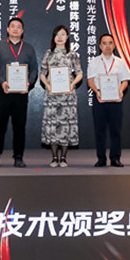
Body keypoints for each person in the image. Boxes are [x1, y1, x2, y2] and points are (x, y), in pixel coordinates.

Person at [0, 17, 39, 168]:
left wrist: (29, 82)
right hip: (3, 91)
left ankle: (18, 157)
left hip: (21, 93)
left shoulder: (28, 48)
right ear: (8, 29)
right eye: (13, 26)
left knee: (19, 127)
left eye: (18, 27)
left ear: (22, 31)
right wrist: (2, 81)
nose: (15, 29)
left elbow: (34, 68)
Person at [39, 25, 83, 167]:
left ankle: (63, 158)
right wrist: (47, 85)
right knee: (53, 126)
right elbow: (42, 74)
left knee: (65, 126)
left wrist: (72, 85)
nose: (59, 37)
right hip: (52, 95)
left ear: (67, 37)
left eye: (62, 34)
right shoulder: (48, 54)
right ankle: (54, 158)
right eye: (57, 34)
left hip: (67, 96)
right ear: (53, 37)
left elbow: (79, 73)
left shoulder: (72, 54)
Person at [87, 33, 130, 167]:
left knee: (115, 130)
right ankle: (101, 158)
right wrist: (97, 92)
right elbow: (90, 81)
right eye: (104, 43)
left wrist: (120, 90)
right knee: (100, 130)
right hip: (99, 99)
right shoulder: (94, 62)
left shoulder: (120, 62)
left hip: (115, 100)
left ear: (114, 45)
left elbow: (125, 81)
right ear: (100, 46)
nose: (107, 46)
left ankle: (115, 157)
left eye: (110, 43)